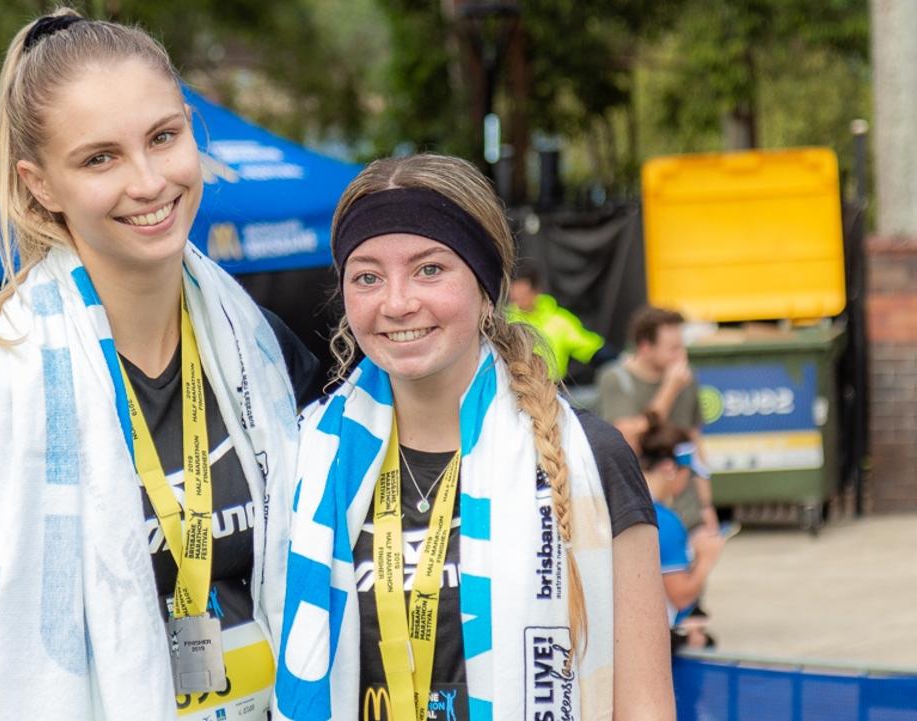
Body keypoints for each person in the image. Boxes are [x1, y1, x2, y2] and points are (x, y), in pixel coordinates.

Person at [0, 9, 318, 721]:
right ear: (39, 184)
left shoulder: (262, 347)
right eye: (100, 158)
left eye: (163, 137)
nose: (148, 181)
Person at [272, 154, 673, 721]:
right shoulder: (303, 457)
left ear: (486, 287)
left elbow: (645, 706)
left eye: (430, 269)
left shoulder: (590, 458)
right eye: (367, 276)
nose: (397, 302)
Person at [595, 305, 718, 531]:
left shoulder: (686, 380)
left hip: (686, 507)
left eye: (682, 347)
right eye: (673, 349)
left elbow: (694, 442)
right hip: (643, 508)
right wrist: (670, 389)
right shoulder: (617, 379)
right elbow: (627, 436)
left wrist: (706, 506)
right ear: (645, 347)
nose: (681, 356)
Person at [637, 421, 725, 651]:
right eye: (687, 473)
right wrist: (706, 558)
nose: (687, 482)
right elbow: (681, 596)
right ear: (669, 468)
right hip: (656, 646)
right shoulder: (663, 520)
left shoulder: (627, 505)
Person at [506, 259, 606, 381]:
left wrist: (625, 360)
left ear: (536, 289)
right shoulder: (506, 321)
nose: (517, 296)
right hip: (515, 387)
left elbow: (592, 348)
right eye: (514, 292)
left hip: (551, 389)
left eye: (522, 290)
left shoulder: (560, 321)